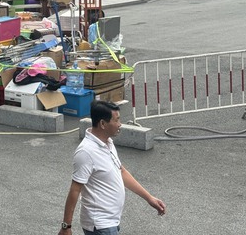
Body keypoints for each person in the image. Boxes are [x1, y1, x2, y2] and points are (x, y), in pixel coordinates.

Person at [58, 100, 166, 234]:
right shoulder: (86, 152)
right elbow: (75, 190)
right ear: (103, 124)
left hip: (111, 221)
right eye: (116, 120)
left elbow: (121, 171)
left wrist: (149, 198)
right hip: (100, 225)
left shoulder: (107, 142)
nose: (120, 124)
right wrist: (66, 227)